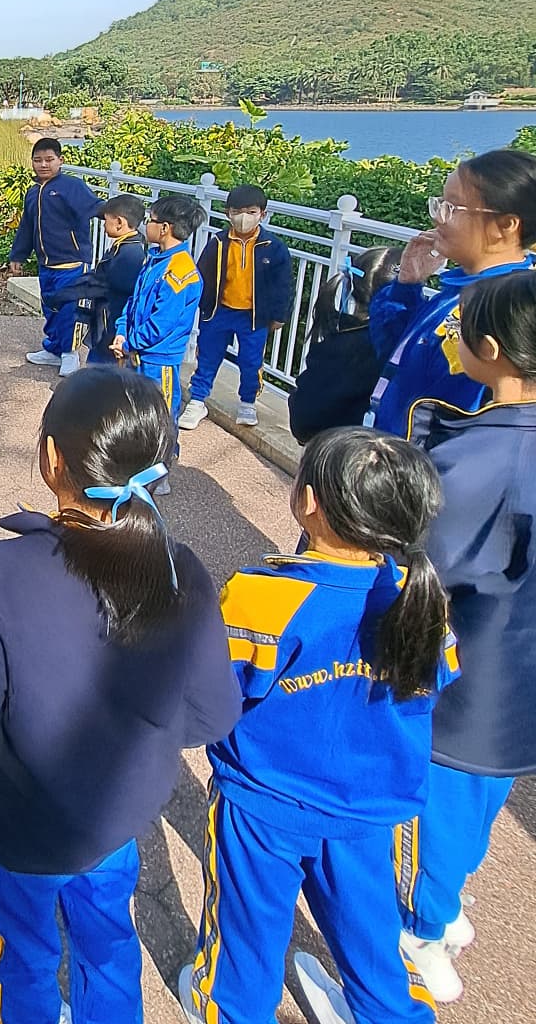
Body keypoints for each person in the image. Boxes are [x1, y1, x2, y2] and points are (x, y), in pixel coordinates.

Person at [0, 367, 240, 1024]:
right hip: (115, 824)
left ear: (53, 458)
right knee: (108, 944)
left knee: (19, 954)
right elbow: (211, 713)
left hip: (18, 832)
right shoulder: (181, 571)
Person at [181, 428, 456, 1024]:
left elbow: (210, 692)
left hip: (263, 805)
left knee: (244, 947)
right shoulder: (422, 600)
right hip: (370, 810)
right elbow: (439, 681)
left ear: (308, 501)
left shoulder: (262, 595)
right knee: (376, 951)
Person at [395, 270, 536, 1002]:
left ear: (492, 349)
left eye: (460, 329)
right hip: (521, 683)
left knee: (433, 815)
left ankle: (415, 946)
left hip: (462, 681)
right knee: (480, 801)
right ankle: (446, 907)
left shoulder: (478, 458)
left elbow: (423, 566)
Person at [366, 148, 536, 438]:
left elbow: (460, 420)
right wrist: (406, 285)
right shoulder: (459, 291)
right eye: (440, 204)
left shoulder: (505, 310)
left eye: (453, 208)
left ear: (505, 226)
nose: (438, 219)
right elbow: (393, 354)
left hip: (423, 462)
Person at [179, 186, 293, 431]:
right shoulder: (218, 243)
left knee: (251, 361)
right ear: (228, 213)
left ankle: (248, 402)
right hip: (219, 311)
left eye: (251, 212)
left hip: (254, 316)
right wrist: (202, 308)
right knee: (208, 356)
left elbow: (283, 285)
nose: (244, 218)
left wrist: (279, 316)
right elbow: (203, 276)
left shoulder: (274, 247)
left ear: (262, 214)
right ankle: (197, 400)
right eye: (237, 211)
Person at [7, 139, 105, 377]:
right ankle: (53, 350)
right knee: (51, 307)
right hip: (46, 265)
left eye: (49, 160)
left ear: (60, 160)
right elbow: (27, 227)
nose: (43, 165)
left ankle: (70, 354)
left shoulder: (72, 186)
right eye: (38, 160)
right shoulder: (33, 192)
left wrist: (127, 222)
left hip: (73, 263)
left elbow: (97, 208)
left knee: (71, 311)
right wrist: (18, 255)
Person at [288, 247, 400, 444]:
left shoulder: (343, 344)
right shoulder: (411, 343)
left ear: (351, 287)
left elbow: (305, 416)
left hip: (342, 449)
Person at [113, 195, 206, 425]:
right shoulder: (155, 260)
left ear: (164, 228)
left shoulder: (180, 271)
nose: (146, 225)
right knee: (135, 417)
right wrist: (122, 331)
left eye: (150, 220)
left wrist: (128, 344)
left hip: (158, 360)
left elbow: (161, 324)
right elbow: (134, 301)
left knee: (159, 421)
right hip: (138, 352)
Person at [68, 194, 146, 366]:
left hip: (113, 321)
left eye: (106, 220)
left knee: (104, 366)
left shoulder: (131, 254)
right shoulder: (123, 246)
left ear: (119, 222)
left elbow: (120, 287)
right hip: (104, 318)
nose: (104, 224)